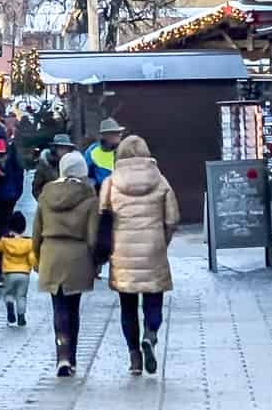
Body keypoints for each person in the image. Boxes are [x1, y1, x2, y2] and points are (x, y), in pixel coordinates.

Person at [99, 135, 180, 376]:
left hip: (122, 251)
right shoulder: (160, 180)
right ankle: (151, 334)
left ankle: (134, 357)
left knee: (127, 306)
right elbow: (172, 218)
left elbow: (102, 214)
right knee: (153, 299)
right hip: (152, 249)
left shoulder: (111, 182)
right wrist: (162, 240)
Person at [33, 152, 99, 378]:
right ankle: (71, 358)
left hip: (51, 253)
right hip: (77, 255)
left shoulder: (46, 195)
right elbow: (92, 236)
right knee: (73, 308)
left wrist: (36, 257)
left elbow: (36, 232)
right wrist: (96, 261)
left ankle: (61, 354)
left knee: (58, 307)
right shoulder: (89, 197)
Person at [0, 211, 36, 326]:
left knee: (8, 294)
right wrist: (32, 266)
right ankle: (21, 316)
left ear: (10, 226)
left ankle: (10, 307)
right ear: (24, 228)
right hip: (24, 274)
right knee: (21, 296)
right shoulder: (29, 243)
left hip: (8, 273)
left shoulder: (5, 241)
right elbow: (32, 258)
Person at [32, 133, 75, 202]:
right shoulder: (45, 165)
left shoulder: (72, 164)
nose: (64, 151)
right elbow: (36, 189)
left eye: (66, 149)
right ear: (54, 149)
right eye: (61, 148)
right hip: (49, 205)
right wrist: (45, 202)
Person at [84, 118, 124, 186]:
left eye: (119, 132)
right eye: (114, 133)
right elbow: (85, 174)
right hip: (100, 190)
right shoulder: (92, 151)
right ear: (104, 135)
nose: (119, 135)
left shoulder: (125, 148)